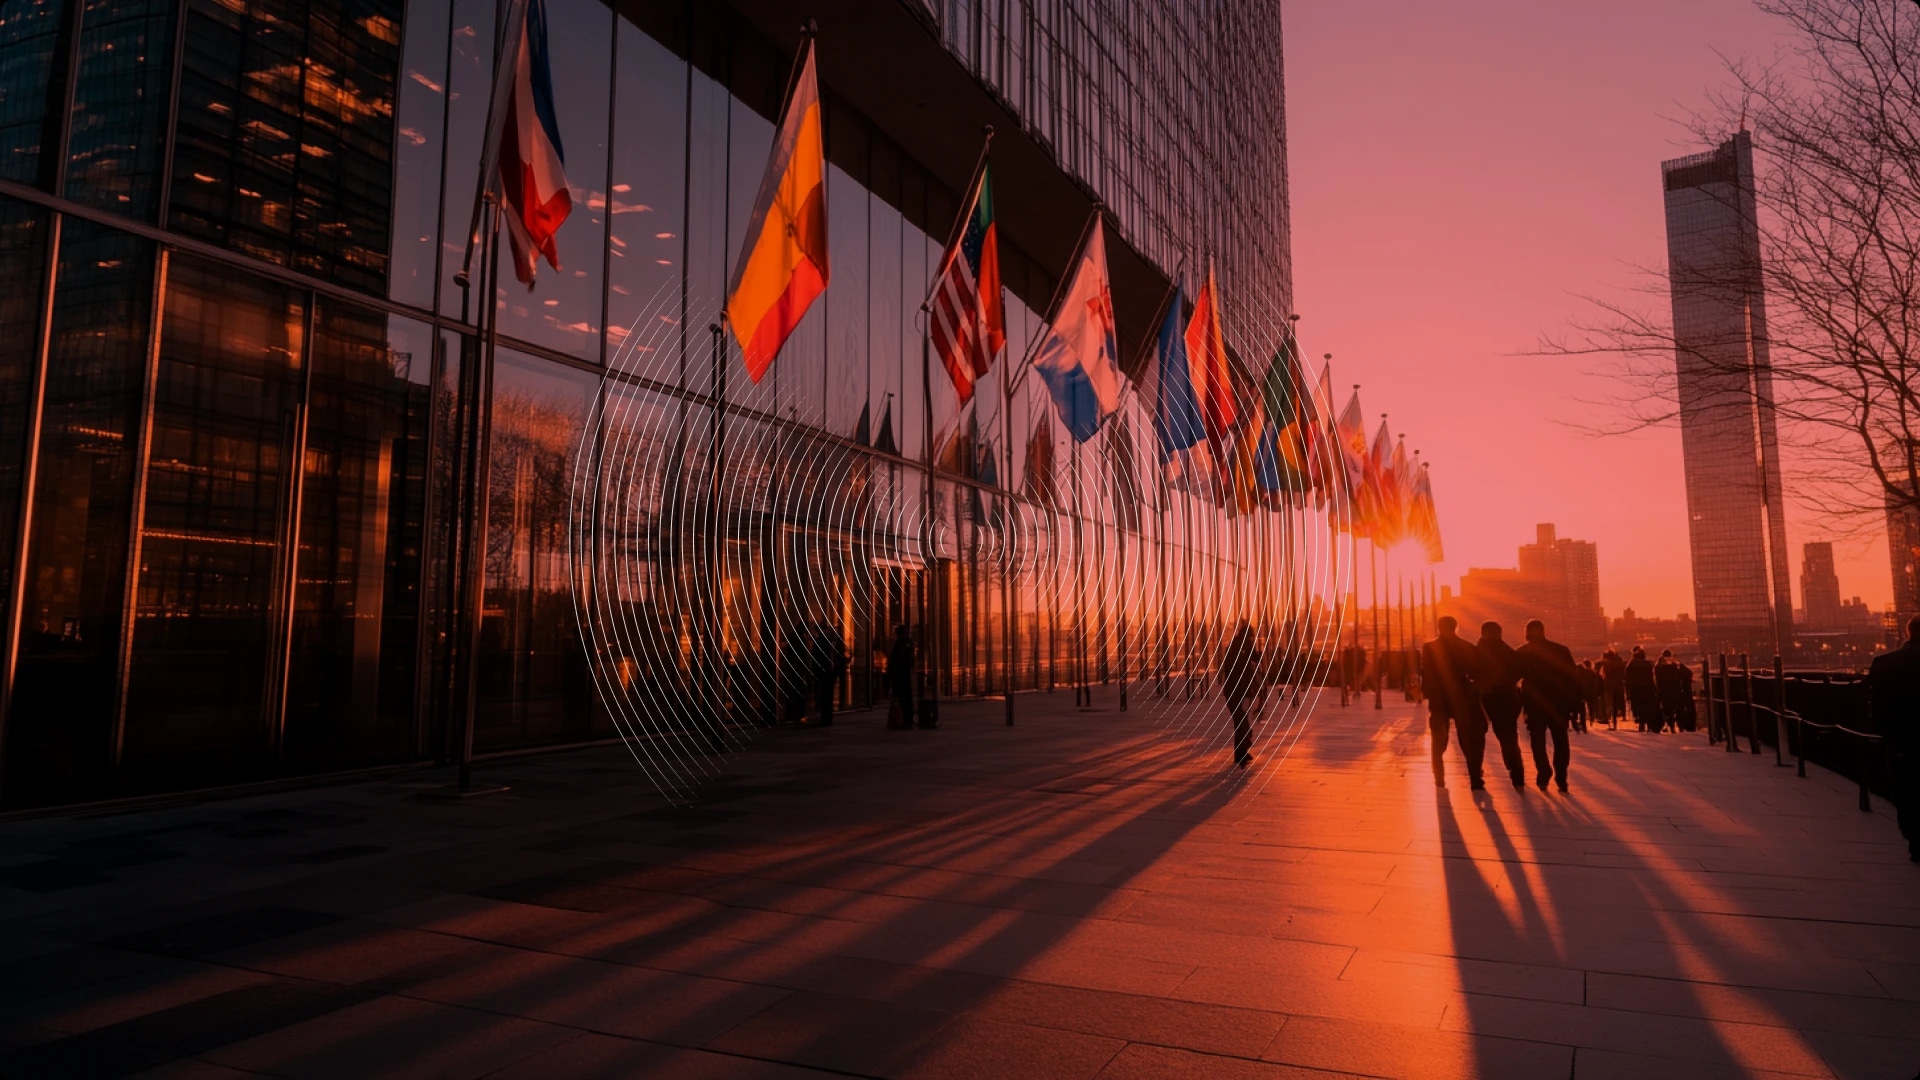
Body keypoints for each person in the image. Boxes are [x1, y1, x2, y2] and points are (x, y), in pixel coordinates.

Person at [1867, 614, 1920, 862]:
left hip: (1901, 739)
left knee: (1905, 789)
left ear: (1909, 633)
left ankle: (1915, 840)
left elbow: (1874, 704)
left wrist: (1884, 732)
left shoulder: (1884, 663)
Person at [1419, 616, 1484, 789]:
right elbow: (1476, 672)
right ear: (1456, 627)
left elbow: (1426, 673)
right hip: (1462, 698)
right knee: (1468, 740)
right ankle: (1475, 778)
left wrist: (1427, 693)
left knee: (1438, 741)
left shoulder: (1429, 647)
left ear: (1439, 627)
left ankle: (1439, 778)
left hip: (1439, 699)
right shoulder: (1466, 646)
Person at [1516, 619, 1580, 792]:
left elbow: (1513, 676)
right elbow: (1572, 677)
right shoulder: (1561, 650)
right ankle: (1561, 778)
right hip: (1559, 702)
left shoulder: (1523, 652)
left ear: (1527, 632)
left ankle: (1543, 772)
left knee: (1537, 740)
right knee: (1561, 740)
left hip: (1535, 703)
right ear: (1543, 631)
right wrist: (1574, 703)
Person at [1474, 621, 1527, 790]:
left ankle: (1476, 775)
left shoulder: (1477, 650)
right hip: (1508, 698)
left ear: (1483, 633)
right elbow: (1519, 671)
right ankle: (1516, 773)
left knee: (1475, 738)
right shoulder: (1509, 652)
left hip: (1483, 698)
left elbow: (1471, 671)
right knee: (1508, 738)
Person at [1221, 620, 1263, 767]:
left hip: (1232, 690)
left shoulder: (1232, 646)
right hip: (1240, 690)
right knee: (1241, 722)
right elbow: (1255, 662)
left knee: (1240, 721)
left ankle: (1243, 750)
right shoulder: (1245, 647)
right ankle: (1240, 754)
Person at [810, 622, 848, 727]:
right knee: (827, 696)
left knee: (824, 696)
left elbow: (816, 658)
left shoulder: (820, 642)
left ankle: (825, 717)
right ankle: (827, 717)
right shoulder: (830, 642)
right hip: (828, 672)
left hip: (824, 672)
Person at [888, 625, 917, 729]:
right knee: (906, 697)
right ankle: (907, 719)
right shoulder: (907, 643)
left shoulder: (900, 644)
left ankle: (904, 719)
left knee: (902, 697)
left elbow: (895, 660)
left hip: (900, 674)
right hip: (904, 674)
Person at [1625, 646, 1660, 732]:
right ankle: (1649, 725)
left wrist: (1628, 693)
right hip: (1647, 688)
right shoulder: (1648, 665)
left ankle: (1641, 724)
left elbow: (1627, 680)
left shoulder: (1630, 665)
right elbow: (1651, 678)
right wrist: (1655, 689)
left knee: (1638, 707)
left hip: (1635, 689)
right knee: (1647, 707)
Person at [1654, 649, 1688, 735]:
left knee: (1668, 710)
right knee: (1678, 709)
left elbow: (1658, 681)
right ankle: (1680, 726)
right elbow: (1684, 674)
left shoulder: (1658, 667)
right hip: (1675, 690)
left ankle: (1672, 727)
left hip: (1665, 692)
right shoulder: (1674, 666)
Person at [1601, 649, 1627, 728]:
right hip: (1619, 686)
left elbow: (1604, 675)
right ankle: (1617, 721)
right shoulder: (1620, 663)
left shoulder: (1607, 664)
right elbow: (1624, 674)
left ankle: (1611, 722)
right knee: (1616, 704)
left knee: (1610, 704)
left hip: (1609, 686)